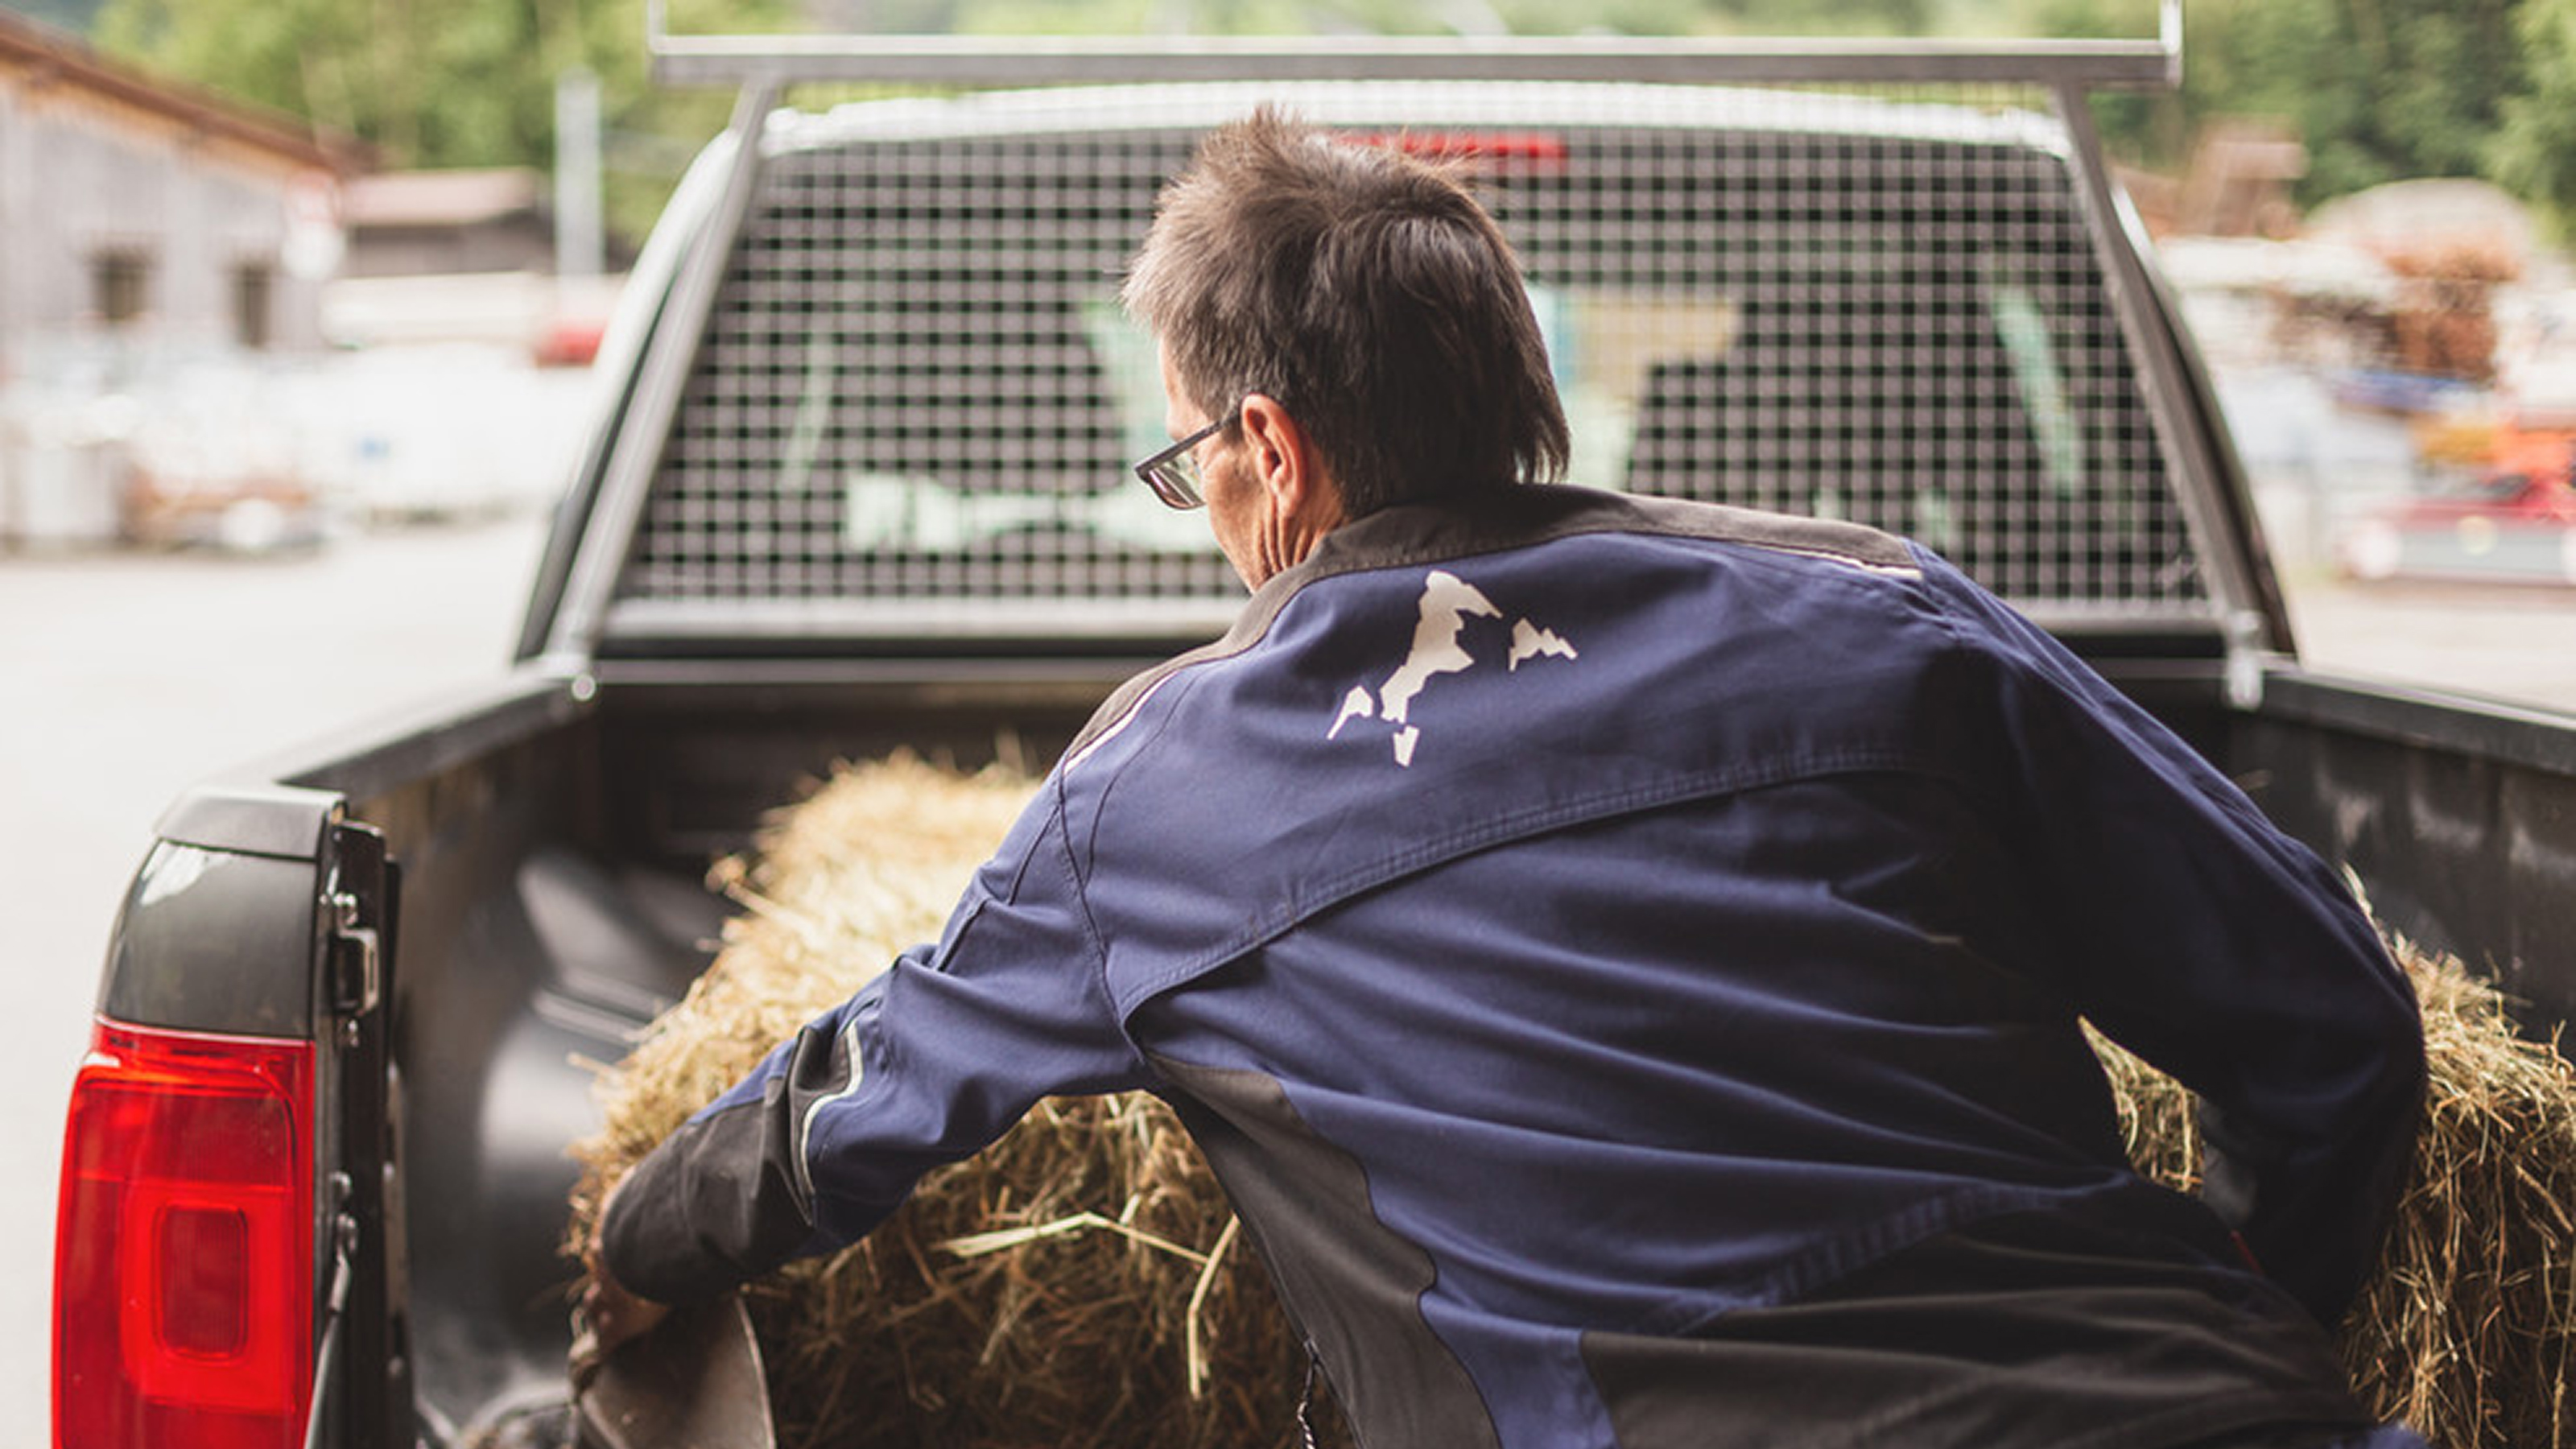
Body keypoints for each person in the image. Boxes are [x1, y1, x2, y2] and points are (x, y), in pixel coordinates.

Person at [585, 107, 2429, 1448]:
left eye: (1187, 466)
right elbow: (2333, 1018)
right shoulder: (1885, 613)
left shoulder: (1155, 791)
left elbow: (854, 1107)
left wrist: (640, 1243)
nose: (1206, 514)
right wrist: (2236, 1305)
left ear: (1268, 449)